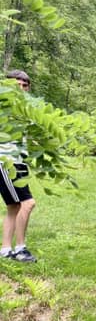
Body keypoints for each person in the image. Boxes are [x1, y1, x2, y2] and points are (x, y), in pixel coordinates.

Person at [0, 69, 37, 262]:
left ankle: (6, 250)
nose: (21, 88)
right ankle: (21, 249)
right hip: (6, 162)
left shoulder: (24, 108)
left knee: (13, 207)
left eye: (25, 85)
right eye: (17, 85)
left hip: (18, 161)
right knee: (28, 203)